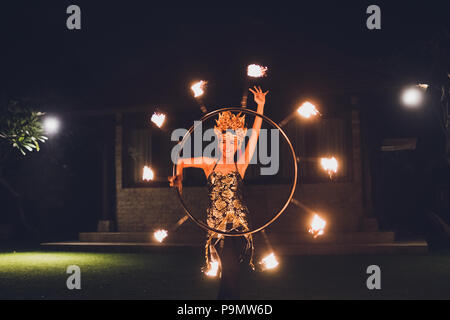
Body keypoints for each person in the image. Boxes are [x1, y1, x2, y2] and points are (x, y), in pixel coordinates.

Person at [169, 86, 268, 299]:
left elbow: (256, 135)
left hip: (238, 224)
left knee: (230, 267)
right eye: (222, 141)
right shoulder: (209, 163)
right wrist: (179, 179)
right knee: (227, 269)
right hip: (215, 223)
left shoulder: (240, 163)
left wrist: (260, 105)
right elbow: (181, 160)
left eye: (230, 142)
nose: (226, 146)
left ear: (237, 144)